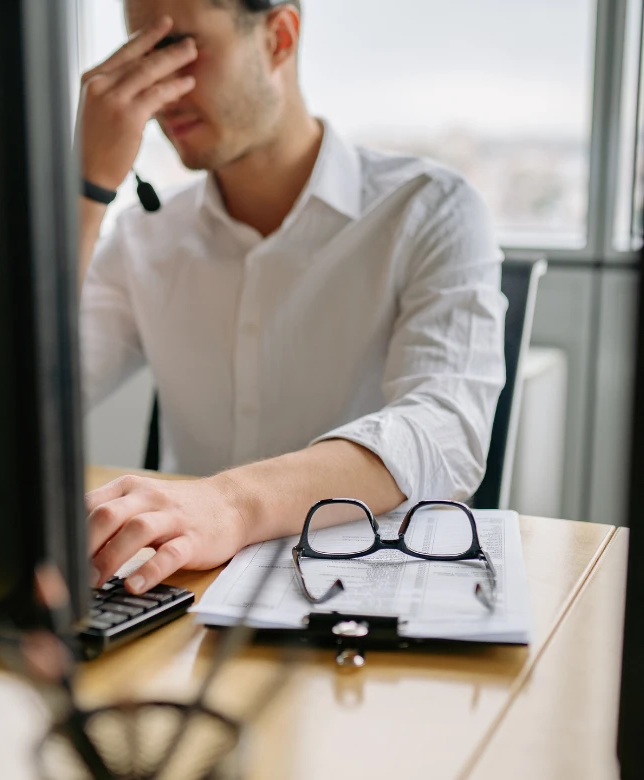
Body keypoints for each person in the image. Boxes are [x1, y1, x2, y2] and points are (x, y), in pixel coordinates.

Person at [77, 0, 506, 596]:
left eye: (177, 48)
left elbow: (445, 429)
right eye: (138, 55)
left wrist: (228, 503)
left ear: (278, 37)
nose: (155, 91)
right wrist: (85, 188)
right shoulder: (143, 236)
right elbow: (16, 399)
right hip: (183, 594)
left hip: (367, 594)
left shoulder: (430, 209)